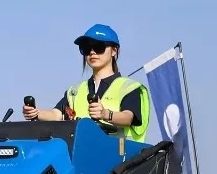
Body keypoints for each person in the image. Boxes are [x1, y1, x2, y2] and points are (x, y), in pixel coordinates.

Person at [22, 24, 151, 142]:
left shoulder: (129, 87)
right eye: (87, 48)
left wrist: (106, 114)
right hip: (83, 157)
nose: (92, 52)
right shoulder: (75, 91)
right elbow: (58, 114)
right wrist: (37, 113)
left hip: (122, 161)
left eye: (99, 47)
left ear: (114, 51)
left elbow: (129, 117)